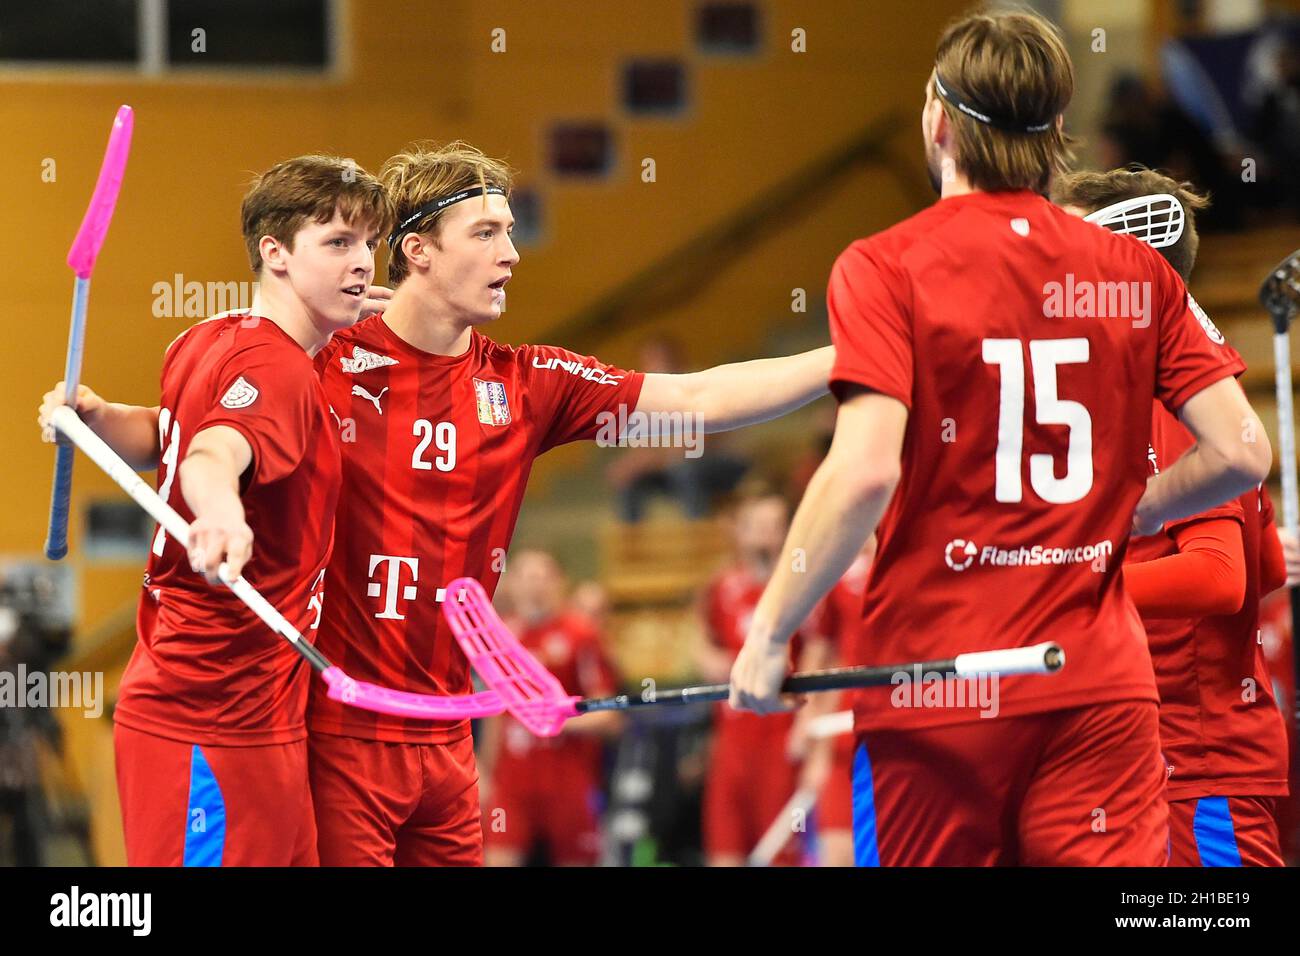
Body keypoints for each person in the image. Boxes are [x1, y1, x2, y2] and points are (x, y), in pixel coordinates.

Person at [728, 10, 1270, 866]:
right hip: (1098, 688)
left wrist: (768, 635)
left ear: (937, 122)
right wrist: (1127, 511)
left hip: (941, 684)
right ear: (1058, 133)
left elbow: (863, 470)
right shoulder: (1132, 269)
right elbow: (1243, 453)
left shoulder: (886, 265)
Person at [306, 141, 838, 865]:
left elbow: (697, 398)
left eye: (512, 231)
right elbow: (211, 414)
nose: (512, 254)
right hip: (336, 734)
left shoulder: (529, 383)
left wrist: (853, 354)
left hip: (448, 741)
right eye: (486, 233)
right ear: (418, 251)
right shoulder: (321, 359)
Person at [37, 155, 392, 865]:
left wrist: (102, 421)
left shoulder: (210, 338)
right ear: (275, 253)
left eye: (368, 244)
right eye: (339, 243)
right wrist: (223, 515)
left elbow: (170, 436)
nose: (363, 264)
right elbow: (211, 455)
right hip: (206, 725)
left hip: (266, 720)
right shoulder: (277, 369)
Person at [1053, 166, 1291, 865]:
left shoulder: (1166, 397)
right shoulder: (1180, 396)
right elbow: (1265, 565)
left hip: (1201, 764)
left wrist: (1073, 593)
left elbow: (1221, 579)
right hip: (1161, 758)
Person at [696, 490, 825, 866]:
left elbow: (821, 649)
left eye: (774, 526)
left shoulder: (805, 582)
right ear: (739, 532)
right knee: (725, 847)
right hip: (732, 738)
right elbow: (703, 640)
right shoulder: (722, 586)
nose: (765, 535)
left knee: (779, 851)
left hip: (781, 735)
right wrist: (708, 657)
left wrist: (809, 727)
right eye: (756, 526)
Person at [479, 550, 622, 866]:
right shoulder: (499, 637)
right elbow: (495, 714)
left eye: (543, 576)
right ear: (512, 583)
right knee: (496, 859)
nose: (535, 585)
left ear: (560, 582)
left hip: (568, 778)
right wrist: (486, 772)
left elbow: (610, 716)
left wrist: (554, 719)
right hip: (513, 781)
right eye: (527, 576)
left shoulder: (581, 634)